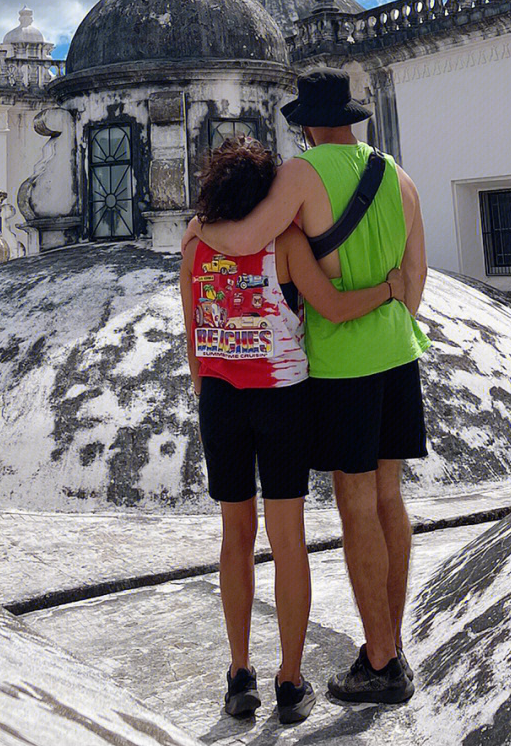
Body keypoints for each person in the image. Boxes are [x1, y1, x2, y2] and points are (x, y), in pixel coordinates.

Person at [183, 68, 430, 706]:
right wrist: (393, 306)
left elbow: (245, 239)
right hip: (399, 351)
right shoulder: (398, 177)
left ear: (310, 125)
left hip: (342, 363)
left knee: (355, 509)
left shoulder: (303, 173)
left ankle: (378, 660)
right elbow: (416, 277)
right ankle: (388, 645)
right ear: (352, 117)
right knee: (388, 500)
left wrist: (197, 231)